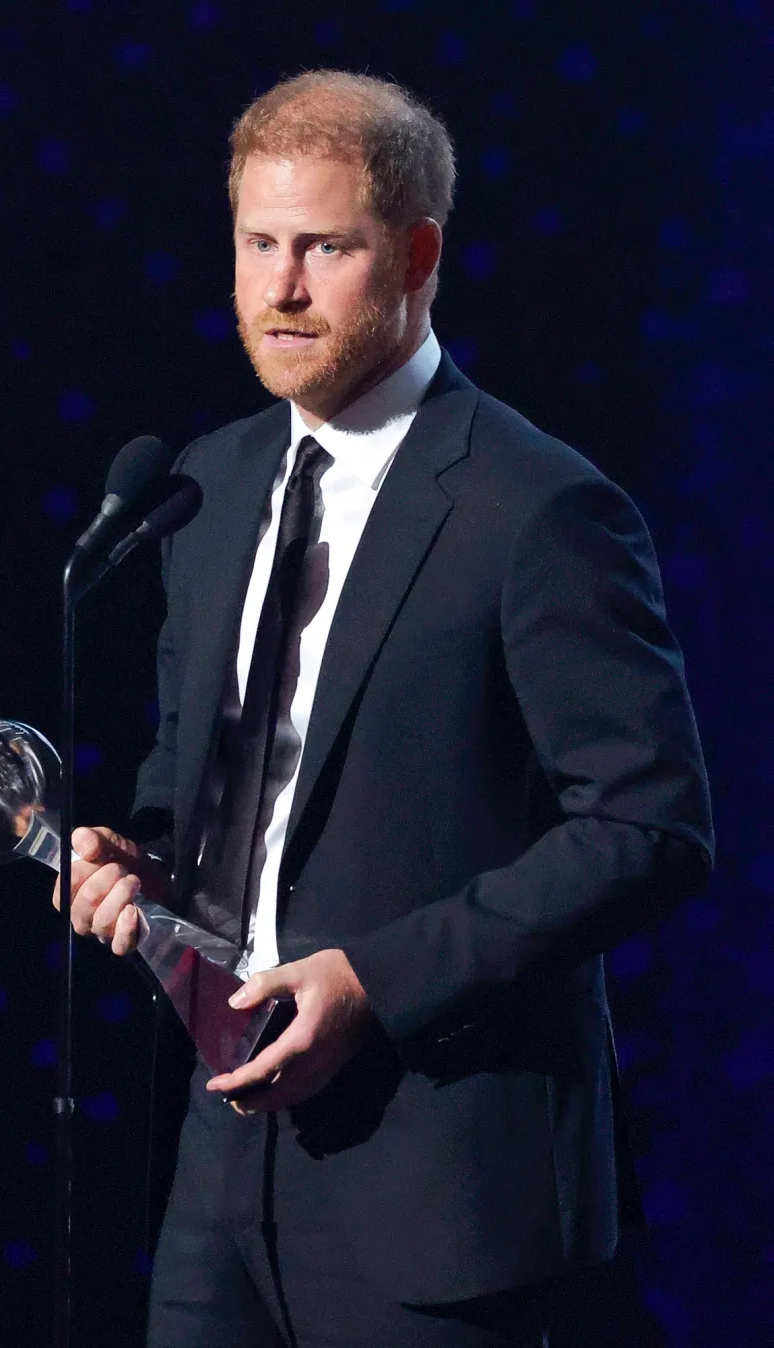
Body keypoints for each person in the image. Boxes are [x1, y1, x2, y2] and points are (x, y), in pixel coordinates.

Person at [53, 71, 713, 1348]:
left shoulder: (539, 508)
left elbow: (651, 827)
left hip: (442, 1175)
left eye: (325, 247)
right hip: (220, 1160)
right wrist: (135, 854)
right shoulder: (211, 480)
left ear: (417, 255)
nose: (281, 288)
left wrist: (375, 979)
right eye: (257, 244)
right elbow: (196, 767)